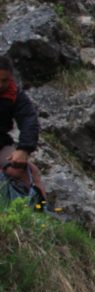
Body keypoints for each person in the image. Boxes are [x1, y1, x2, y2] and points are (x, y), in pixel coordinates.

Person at [0, 55, 45, 197]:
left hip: (0, 142)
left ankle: (38, 211)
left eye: (4, 81)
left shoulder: (15, 95)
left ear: (11, 77)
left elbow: (29, 119)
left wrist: (24, 149)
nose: (0, 85)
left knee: (22, 171)